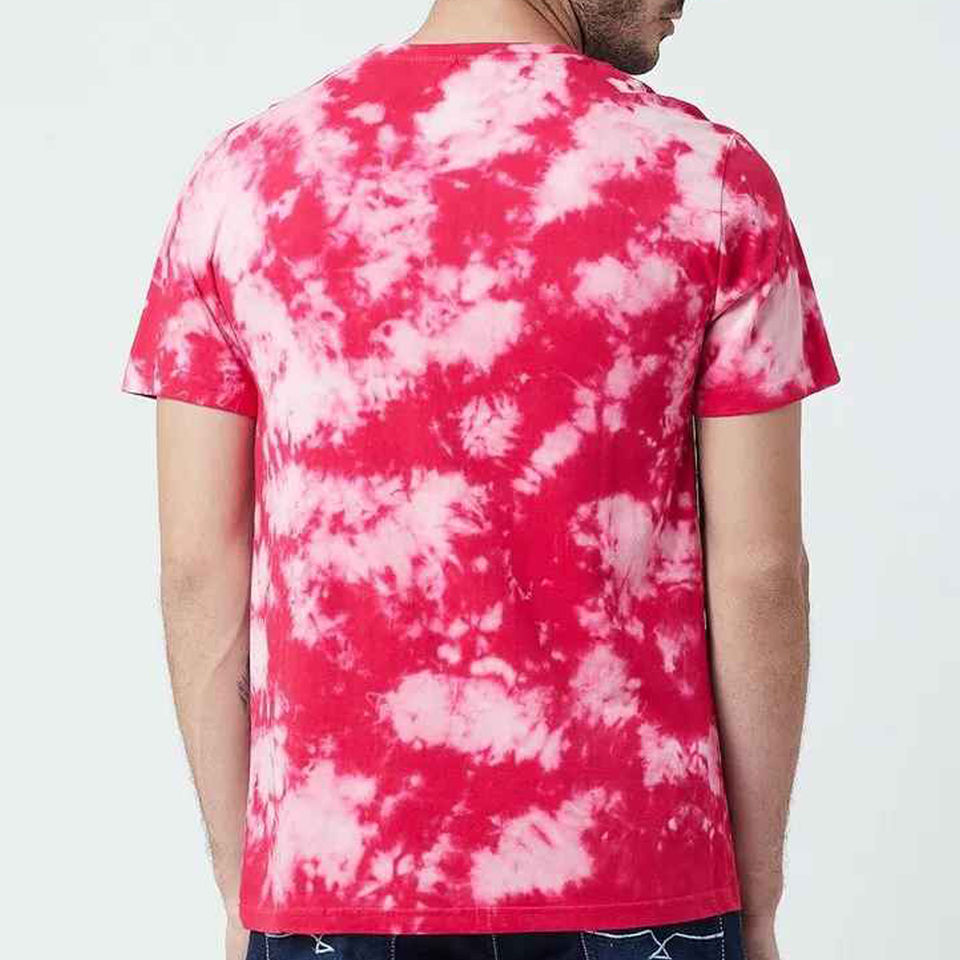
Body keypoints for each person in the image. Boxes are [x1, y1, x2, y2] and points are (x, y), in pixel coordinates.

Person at [119, 0, 842, 957]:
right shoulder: (708, 178)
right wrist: (756, 901)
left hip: (332, 883)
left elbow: (198, 568)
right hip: (636, 880)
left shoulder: (245, 179)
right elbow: (760, 574)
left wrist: (242, 887)